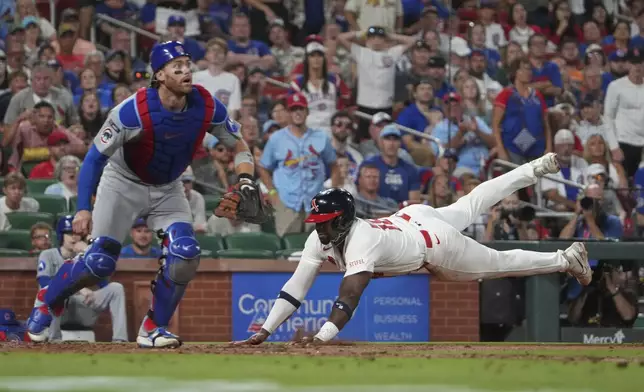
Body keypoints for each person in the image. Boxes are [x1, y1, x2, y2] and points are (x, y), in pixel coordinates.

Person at [25, 41, 258, 349]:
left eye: (188, 65)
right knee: (99, 263)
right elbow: (94, 158)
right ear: (159, 75)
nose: (187, 71)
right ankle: (48, 298)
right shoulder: (133, 110)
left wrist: (244, 180)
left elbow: (239, 143)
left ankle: (153, 327)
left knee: (185, 253)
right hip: (123, 181)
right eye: (178, 67)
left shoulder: (207, 104)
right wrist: (83, 209)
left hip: (169, 185)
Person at [234, 153, 592, 346]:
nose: (318, 225)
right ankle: (533, 167)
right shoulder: (321, 238)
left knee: (496, 263)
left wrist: (324, 335)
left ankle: (565, 259)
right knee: (472, 201)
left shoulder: (361, 238)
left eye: (325, 220)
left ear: (342, 220)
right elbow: (297, 286)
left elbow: (351, 293)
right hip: (412, 217)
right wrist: (265, 329)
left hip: (433, 245)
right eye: (318, 219)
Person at [34, 215, 128, 342]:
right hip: (60, 307)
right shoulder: (48, 255)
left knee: (116, 288)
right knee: (52, 291)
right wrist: (79, 288)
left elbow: (103, 283)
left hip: (83, 304)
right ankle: (54, 340)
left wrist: (87, 251)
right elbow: (44, 281)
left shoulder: (86, 255)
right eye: (69, 233)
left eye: (77, 233)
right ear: (61, 236)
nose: (73, 237)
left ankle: (120, 340)